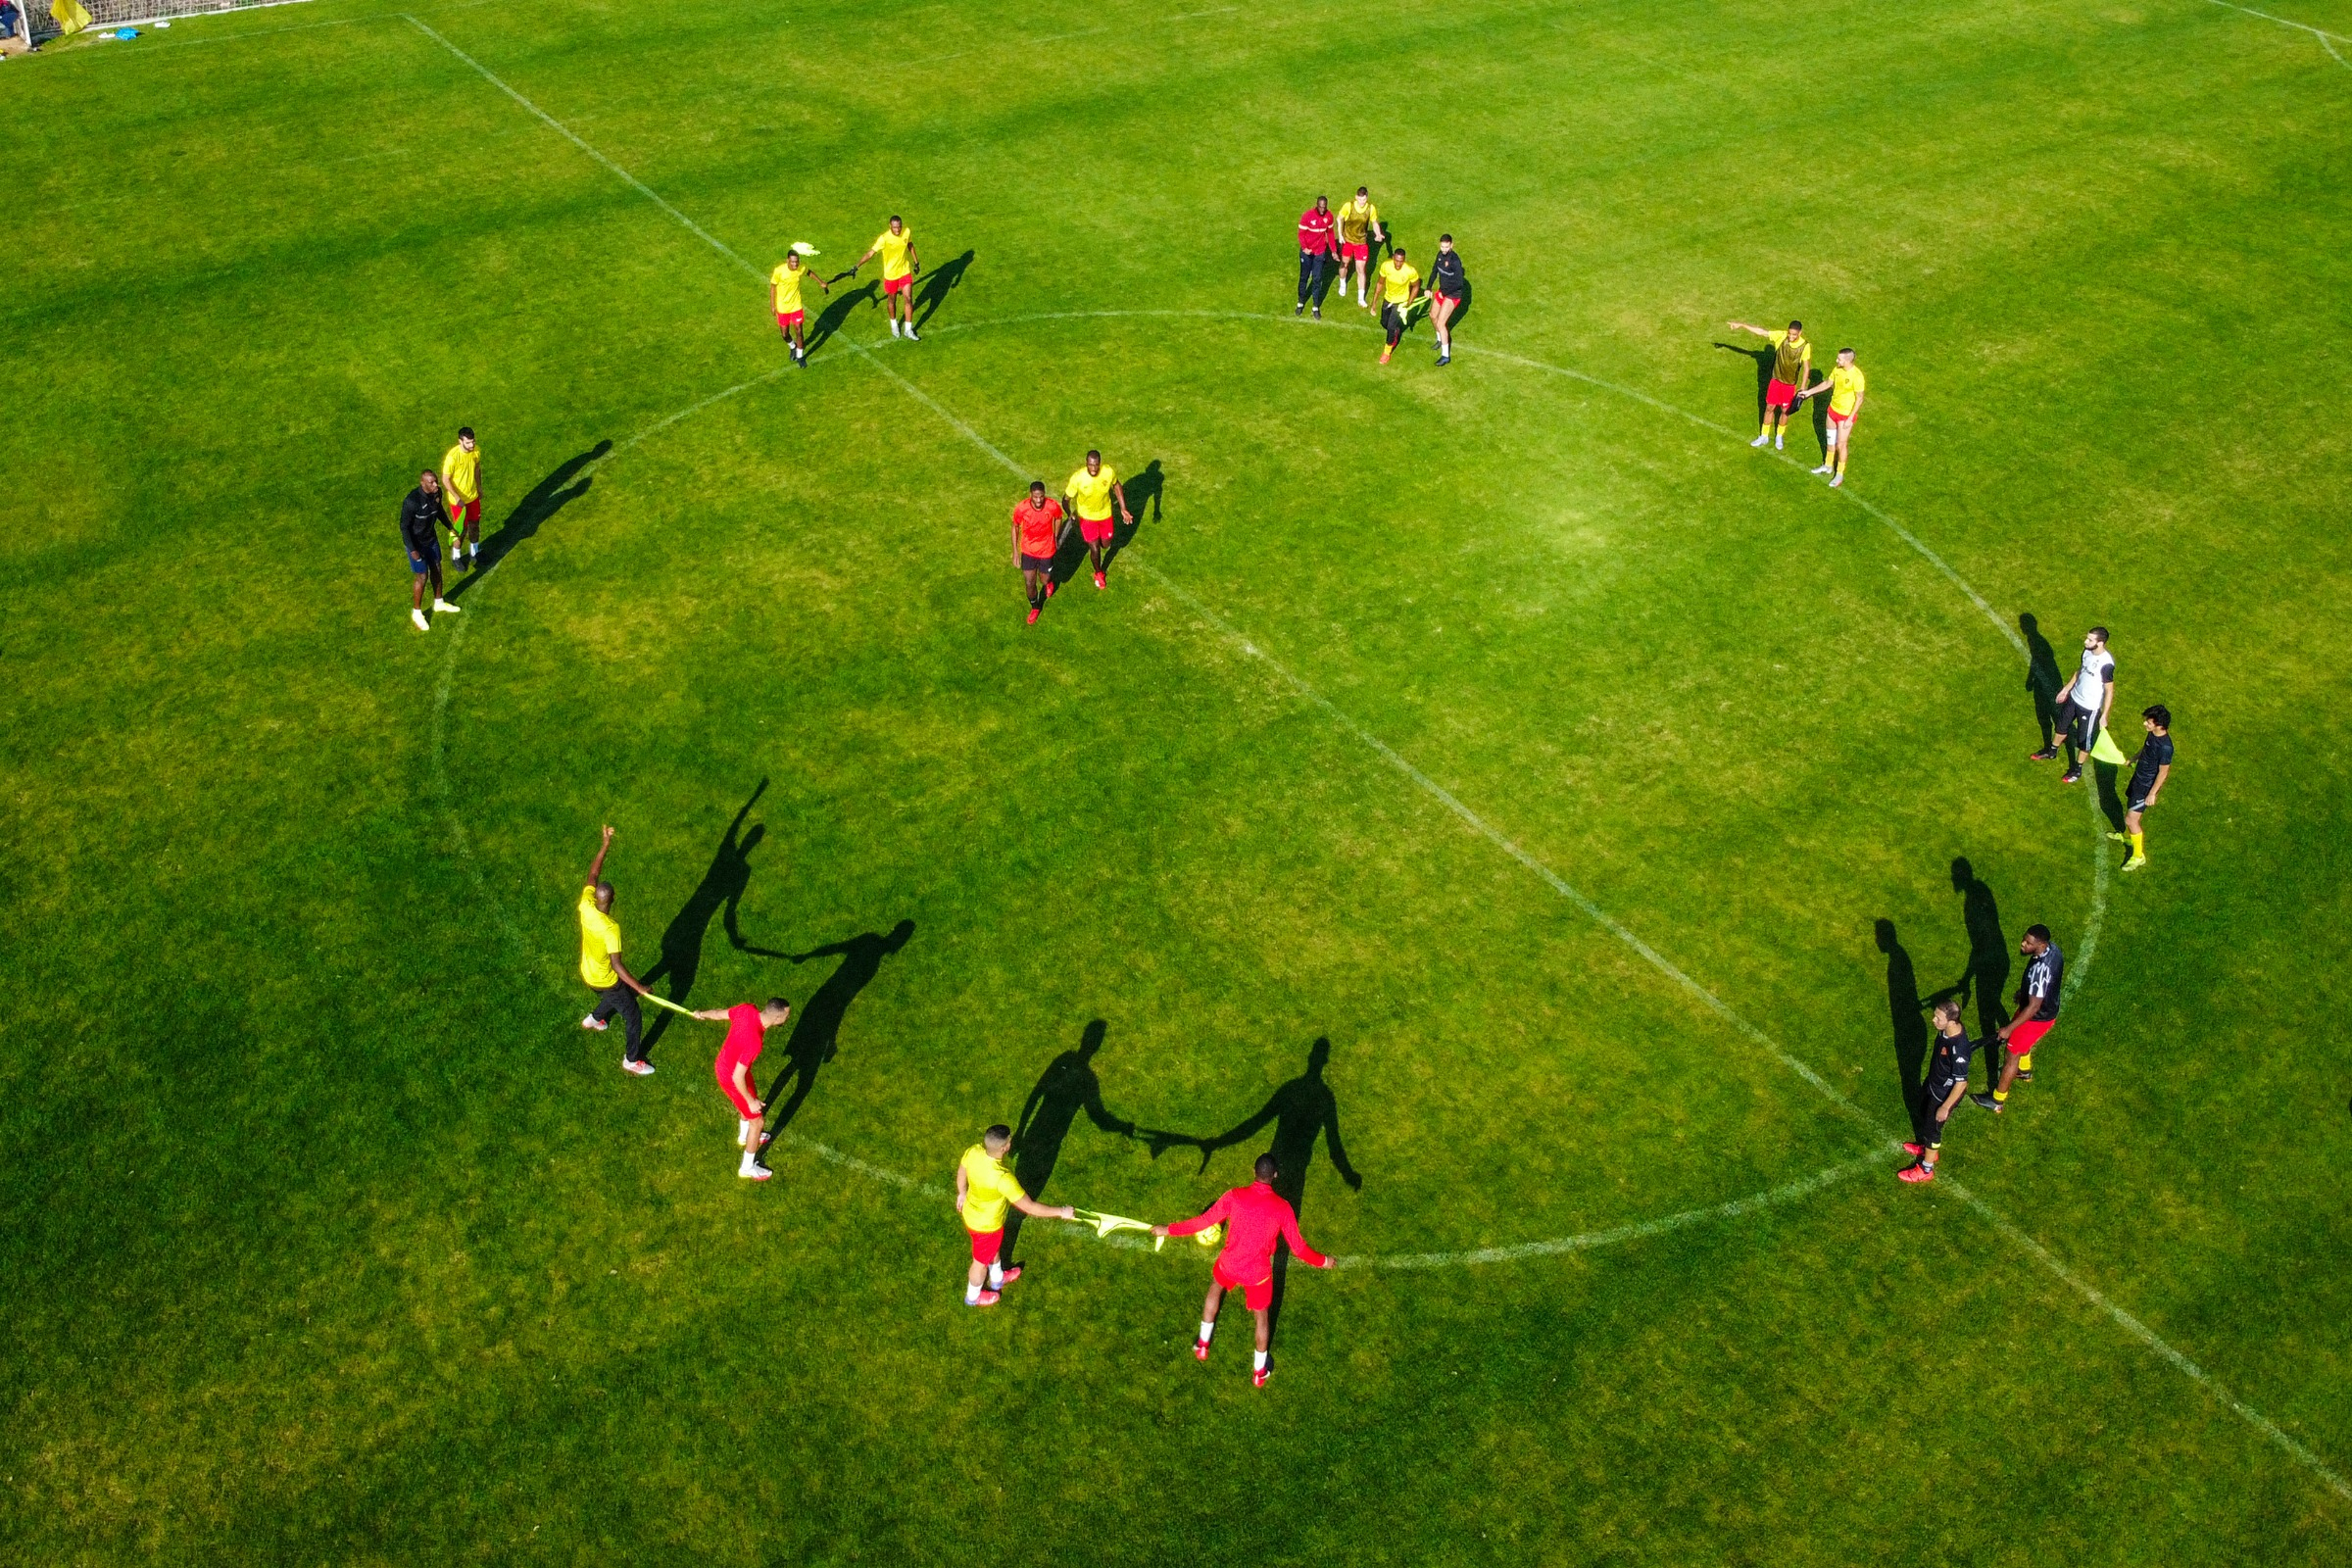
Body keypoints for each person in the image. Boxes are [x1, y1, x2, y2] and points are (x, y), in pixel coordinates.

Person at [1153, 1152, 1332, 1387]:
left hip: (1229, 1263)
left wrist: (1167, 1229)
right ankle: (1259, 1371)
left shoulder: (1234, 1196)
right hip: (1258, 1274)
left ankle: (1203, 1345)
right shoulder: (1283, 1208)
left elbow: (1203, 1221)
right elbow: (1298, 1248)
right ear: (1275, 1175)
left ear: (1253, 1172)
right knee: (1261, 1319)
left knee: (1214, 1290)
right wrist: (1324, 1261)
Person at [955, 1124, 1074, 1306]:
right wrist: (1061, 1212)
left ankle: (997, 1278)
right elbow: (1030, 1207)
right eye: (1010, 1140)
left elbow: (962, 1170)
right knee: (979, 1263)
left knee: (991, 1250)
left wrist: (962, 1192)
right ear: (1005, 1147)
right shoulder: (1003, 1178)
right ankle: (973, 1297)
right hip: (986, 1227)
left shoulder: (974, 1151)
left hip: (973, 1214)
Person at [578, 824, 658, 1076]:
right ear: (612, 899)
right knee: (632, 1013)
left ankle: (594, 1019)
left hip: (587, 973)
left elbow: (592, 874)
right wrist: (640, 987)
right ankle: (632, 1060)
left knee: (616, 997)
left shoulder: (585, 906)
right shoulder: (611, 928)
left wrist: (605, 844)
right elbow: (617, 966)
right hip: (605, 980)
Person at [690, 996, 792, 1179]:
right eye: (786, 1016)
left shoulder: (746, 1010)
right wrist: (750, 1100)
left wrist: (701, 1014)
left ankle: (744, 1137)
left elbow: (719, 1014)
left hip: (727, 1066)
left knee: (749, 1106)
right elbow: (737, 1077)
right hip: (732, 1076)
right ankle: (747, 1168)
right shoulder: (755, 1042)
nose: (787, 1019)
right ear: (776, 1018)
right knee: (757, 1121)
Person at [1972, 924, 2062, 1113]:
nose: (2022, 944)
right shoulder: (2054, 951)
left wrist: (2009, 1028)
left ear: (2041, 944)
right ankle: (2024, 1070)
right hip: (2045, 1010)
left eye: (2028, 943)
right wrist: (2025, 993)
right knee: (2022, 1045)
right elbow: (2048, 984)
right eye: (2024, 939)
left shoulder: (2040, 969)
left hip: (2036, 1017)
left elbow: (2034, 1006)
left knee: (2011, 1054)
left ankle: (1997, 1100)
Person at [1900, 999, 1976, 1182]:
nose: (1933, 1020)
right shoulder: (1946, 1030)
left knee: (1932, 1129)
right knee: (1922, 1111)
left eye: (1938, 1018)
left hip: (1943, 1094)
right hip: (1933, 1083)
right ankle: (1927, 1150)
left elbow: (1961, 1084)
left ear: (1951, 1021)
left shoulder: (1959, 1050)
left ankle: (1926, 1169)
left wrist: (1945, 1107)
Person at [2034, 626, 2115, 785]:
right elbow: (2080, 671)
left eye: (2090, 639)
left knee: (2084, 741)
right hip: (2074, 698)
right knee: (2061, 726)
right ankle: (2052, 751)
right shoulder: (2086, 652)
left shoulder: (2106, 664)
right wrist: (2066, 689)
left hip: (2089, 707)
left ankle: (2077, 769)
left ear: (2100, 643)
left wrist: (2104, 714)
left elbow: (2109, 690)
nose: (2086, 641)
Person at [1728, 318, 1812, 451]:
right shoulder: (1781, 336)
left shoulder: (1805, 346)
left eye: (1794, 335)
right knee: (1769, 408)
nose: (1790, 337)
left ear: (1800, 333)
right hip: (1776, 381)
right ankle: (1764, 435)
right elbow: (1762, 332)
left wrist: (1802, 387)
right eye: (1789, 333)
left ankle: (1779, 435)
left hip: (1789, 385)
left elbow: (1806, 368)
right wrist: (1742, 325)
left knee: (1785, 411)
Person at [2109, 705, 2173, 872]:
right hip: (2138, 779)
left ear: (2159, 725)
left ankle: (2138, 856)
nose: (2145, 724)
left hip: (2145, 787)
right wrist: (2133, 758)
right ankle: (2130, 838)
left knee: (2131, 820)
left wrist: (2152, 794)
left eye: (2149, 722)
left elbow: (2163, 771)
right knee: (2130, 813)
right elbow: (2146, 749)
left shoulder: (2166, 747)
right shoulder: (2152, 735)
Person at [399, 468, 462, 633]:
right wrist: (412, 549)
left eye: (436, 481)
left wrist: (450, 527)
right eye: (431, 482)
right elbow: (404, 527)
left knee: (437, 568)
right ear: (422, 484)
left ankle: (439, 602)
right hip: (416, 544)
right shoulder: (412, 502)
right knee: (422, 576)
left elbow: (438, 510)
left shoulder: (436, 493)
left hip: (430, 539)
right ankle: (417, 612)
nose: (436, 484)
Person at [1062, 450, 1133, 591]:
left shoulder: (1108, 472)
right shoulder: (1078, 478)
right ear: (1086, 464)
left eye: (1096, 465)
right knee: (1094, 548)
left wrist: (1123, 508)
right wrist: (1070, 513)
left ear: (1099, 464)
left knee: (1105, 544)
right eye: (1090, 465)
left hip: (1105, 514)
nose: (1093, 469)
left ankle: (1099, 553)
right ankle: (1099, 573)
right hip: (1087, 517)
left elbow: (1117, 485)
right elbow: (1066, 499)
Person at [1798, 348, 1866, 487]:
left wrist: (1850, 418)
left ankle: (1839, 474)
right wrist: (1808, 392)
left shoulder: (1857, 376)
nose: (1837, 361)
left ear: (1847, 361)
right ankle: (1828, 465)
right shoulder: (1837, 370)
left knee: (1841, 445)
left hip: (1845, 415)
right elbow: (1828, 383)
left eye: (1839, 359)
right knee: (1830, 441)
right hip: (1832, 411)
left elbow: (1860, 398)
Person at [856, 216, 922, 340]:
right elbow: (871, 253)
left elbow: (910, 245)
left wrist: (916, 262)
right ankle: (894, 324)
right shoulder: (884, 239)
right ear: (890, 226)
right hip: (891, 275)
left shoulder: (906, 232)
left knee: (908, 299)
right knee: (892, 300)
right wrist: (857, 266)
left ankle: (908, 329)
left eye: (899, 227)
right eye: (895, 227)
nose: (897, 230)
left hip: (904, 271)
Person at [1010, 480, 1066, 624]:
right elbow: (1015, 526)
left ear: (1044, 495)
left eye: (1041, 496)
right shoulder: (1022, 508)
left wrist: (1055, 536)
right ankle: (1035, 607)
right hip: (1028, 550)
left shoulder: (1052, 506)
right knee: (1029, 582)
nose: (1038, 500)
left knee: (1044, 579)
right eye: (1035, 497)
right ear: (1030, 495)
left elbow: (1059, 518)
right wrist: (1015, 551)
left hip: (1047, 550)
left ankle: (1049, 583)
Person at [770, 251, 831, 366]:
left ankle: (800, 356)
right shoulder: (779, 271)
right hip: (783, 307)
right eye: (793, 262)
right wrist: (773, 305)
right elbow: (773, 287)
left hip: (796, 305)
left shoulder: (800, 268)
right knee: (784, 334)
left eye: (797, 262)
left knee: (799, 330)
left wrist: (821, 282)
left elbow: (809, 272)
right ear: (787, 261)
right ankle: (793, 346)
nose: (795, 265)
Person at [439, 428, 483, 570]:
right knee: (461, 530)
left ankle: (474, 552)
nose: (472, 445)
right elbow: (445, 479)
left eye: (473, 441)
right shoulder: (453, 457)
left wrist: (479, 487)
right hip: (458, 501)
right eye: (468, 443)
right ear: (460, 441)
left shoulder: (476, 451)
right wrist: (457, 498)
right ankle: (456, 556)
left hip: (473, 497)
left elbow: (477, 469)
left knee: (475, 524)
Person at [1334, 187, 1386, 309]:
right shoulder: (1349, 206)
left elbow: (1374, 222)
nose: (1362, 201)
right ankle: (1342, 283)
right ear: (1356, 197)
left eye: (1365, 199)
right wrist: (1340, 234)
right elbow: (1339, 218)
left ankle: (1361, 298)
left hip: (1361, 243)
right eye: (1360, 199)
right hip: (1348, 241)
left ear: (1367, 197)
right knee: (1345, 264)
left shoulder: (1370, 208)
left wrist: (1378, 234)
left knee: (1361, 269)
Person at [1375, 245, 1420, 367]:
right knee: (1384, 323)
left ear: (1404, 260)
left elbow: (1416, 286)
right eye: (1397, 260)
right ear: (1393, 258)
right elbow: (1380, 283)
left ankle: (1386, 352)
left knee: (1390, 326)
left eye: (1401, 261)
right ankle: (1396, 330)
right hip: (1388, 299)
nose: (1398, 264)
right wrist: (1374, 302)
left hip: (1401, 302)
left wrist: (1409, 302)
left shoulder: (1410, 271)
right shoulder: (1386, 266)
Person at [1296, 195, 1338, 318]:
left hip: (1320, 252)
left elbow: (1330, 233)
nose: (1322, 210)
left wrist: (1333, 250)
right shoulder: (1307, 216)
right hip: (1307, 252)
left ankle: (1315, 306)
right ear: (1317, 205)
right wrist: (1305, 248)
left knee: (1317, 278)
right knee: (1304, 277)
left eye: (1324, 207)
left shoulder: (1328, 216)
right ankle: (1300, 302)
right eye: (1320, 207)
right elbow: (1301, 234)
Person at [1427, 234, 1467, 366]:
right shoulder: (1439, 255)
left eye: (1446, 247)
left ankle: (1445, 356)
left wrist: (1445, 293)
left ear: (1451, 245)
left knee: (1441, 323)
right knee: (1432, 315)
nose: (1444, 249)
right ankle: (1440, 339)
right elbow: (1434, 271)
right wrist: (1428, 288)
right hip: (1443, 292)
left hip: (1453, 295)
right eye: (1442, 246)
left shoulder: (1455, 261)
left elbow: (1459, 283)